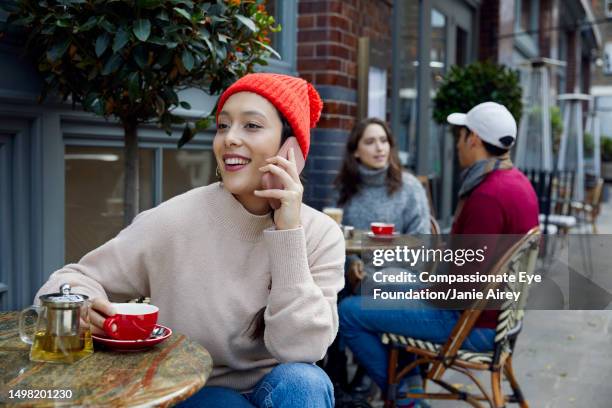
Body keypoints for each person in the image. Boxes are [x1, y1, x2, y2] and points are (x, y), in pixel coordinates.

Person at [34, 73, 346, 407]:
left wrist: (288, 234)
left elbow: (302, 350)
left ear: (291, 149)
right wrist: (81, 308)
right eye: (223, 126)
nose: (229, 139)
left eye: (251, 126)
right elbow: (68, 281)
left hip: (279, 388)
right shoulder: (173, 220)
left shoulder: (320, 234)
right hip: (197, 389)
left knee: (305, 383)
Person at [338, 102, 539, 407]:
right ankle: (406, 386)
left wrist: (419, 290)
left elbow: (458, 286)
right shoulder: (518, 184)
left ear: (473, 139)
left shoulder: (487, 196)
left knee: (349, 312)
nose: (456, 144)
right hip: (493, 318)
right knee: (379, 289)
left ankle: (408, 397)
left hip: (469, 324)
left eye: (459, 136)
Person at [325, 118, 430, 401]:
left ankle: (395, 380)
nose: (379, 147)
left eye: (383, 141)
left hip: (399, 274)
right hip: (353, 277)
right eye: (370, 142)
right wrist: (352, 264)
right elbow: (335, 238)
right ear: (356, 151)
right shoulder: (345, 189)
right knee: (327, 298)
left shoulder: (409, 187)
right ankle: (339, 379)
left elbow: (420, 244)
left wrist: (372, 268)